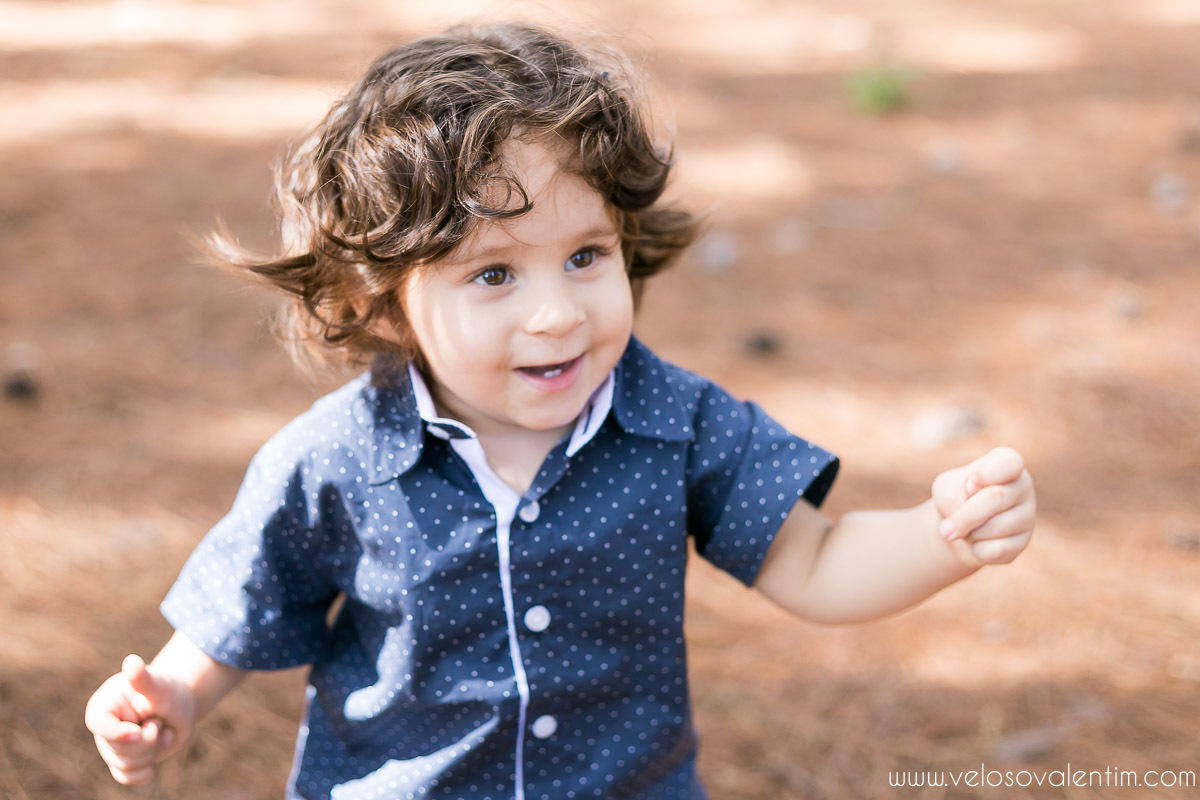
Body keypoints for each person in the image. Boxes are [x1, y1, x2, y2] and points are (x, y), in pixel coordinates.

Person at [84, 21, 1036, 800]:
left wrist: (939, 539)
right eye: (493, 273)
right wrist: (165, 697)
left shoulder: (676, 422)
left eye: (585, 256)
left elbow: (817, 563)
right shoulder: (335, 457)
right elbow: (230, 620)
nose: (557, 312)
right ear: (384, 299)